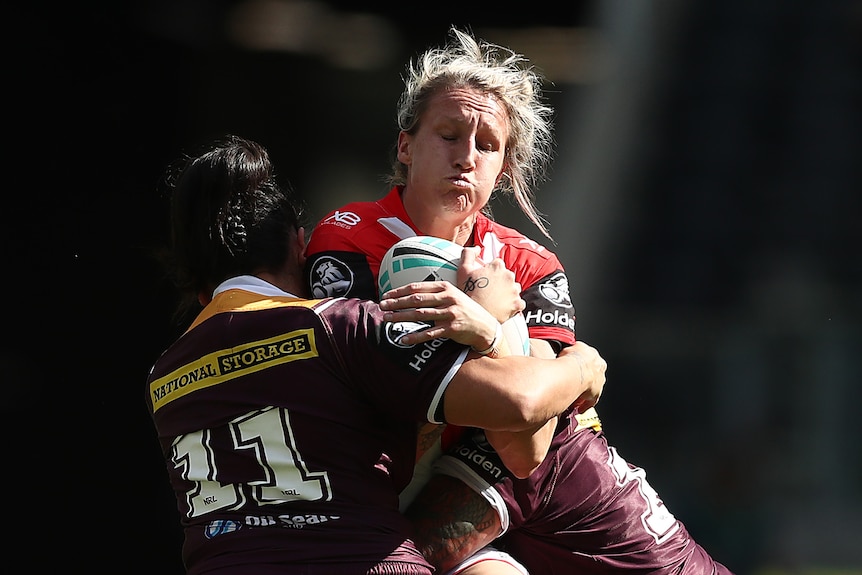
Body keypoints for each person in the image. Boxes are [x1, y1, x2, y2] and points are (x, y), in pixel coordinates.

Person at [304, 27, 734, 574]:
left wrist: (507, 341)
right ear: (405, 145)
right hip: (420, 475)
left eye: (487, 146)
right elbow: (361, 393)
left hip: (538, 474)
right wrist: (565, 360)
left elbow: (526, 450)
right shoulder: (346, 236)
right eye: (449, 134)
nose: (466, 157)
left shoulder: (530, 264)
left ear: (504, 170)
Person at [145, 134, 607, 575]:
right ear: (298, 244)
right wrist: (580, 364)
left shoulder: (163, 379)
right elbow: (519, 404)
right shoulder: (338, 326)